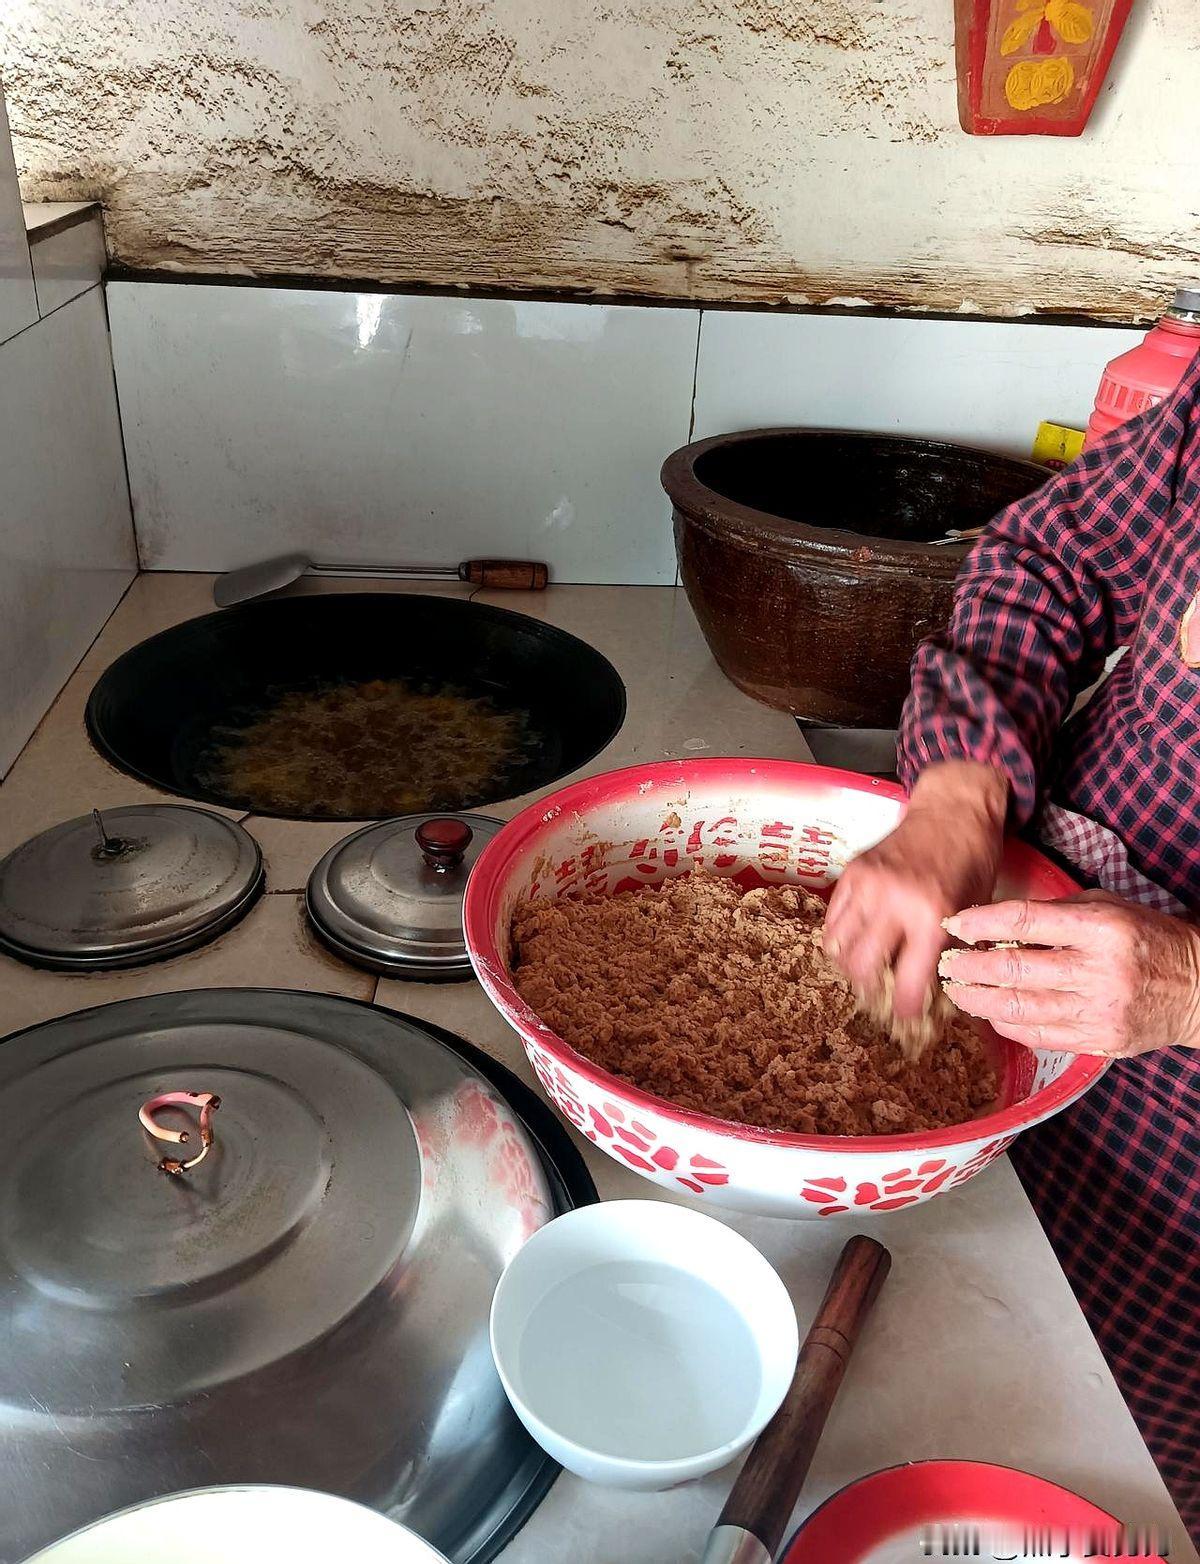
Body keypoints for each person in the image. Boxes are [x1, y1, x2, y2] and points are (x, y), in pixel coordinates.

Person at [824, 353, 1200, 1538]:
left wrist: (1191, 989)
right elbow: (1055, 556)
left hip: (1173, 1219)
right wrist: (959, 796)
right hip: (1009, 1073)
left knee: (1092, 1482)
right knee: (903, 1410)